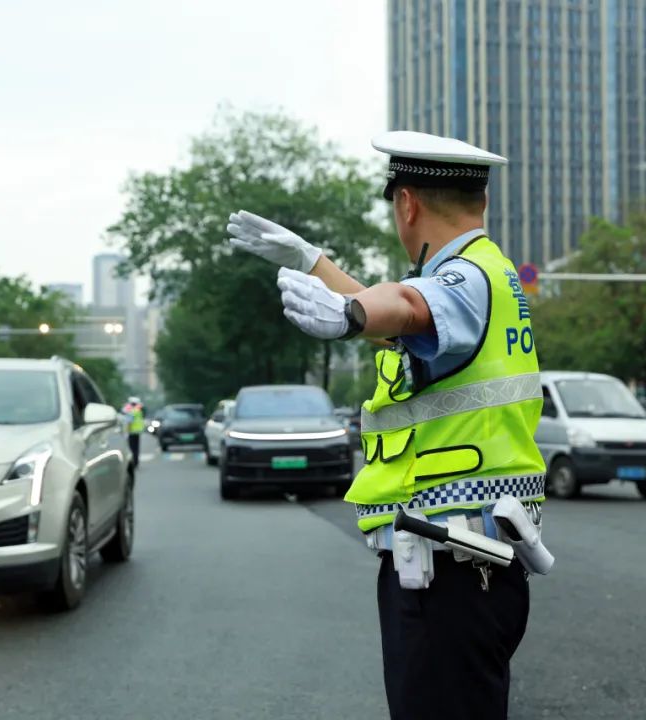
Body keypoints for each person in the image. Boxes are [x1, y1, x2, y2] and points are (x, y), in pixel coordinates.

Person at [228, 131, 548, 720]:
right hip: (476, 565)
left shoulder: (459, 281)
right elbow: (401, 318)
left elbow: (405, 305)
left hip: (451, 568)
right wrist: (312, 263)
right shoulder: (493, 273)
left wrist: (351, 314)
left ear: (407, 204)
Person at [121, 397, 144, 471]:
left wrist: (127, 431)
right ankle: (136, 462)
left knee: (131, 448)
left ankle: (133, 463)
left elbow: (129, 422)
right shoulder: (138, 410)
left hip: (132, 432)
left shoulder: (131, 411)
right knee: (136, 448)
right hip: (137, 432)